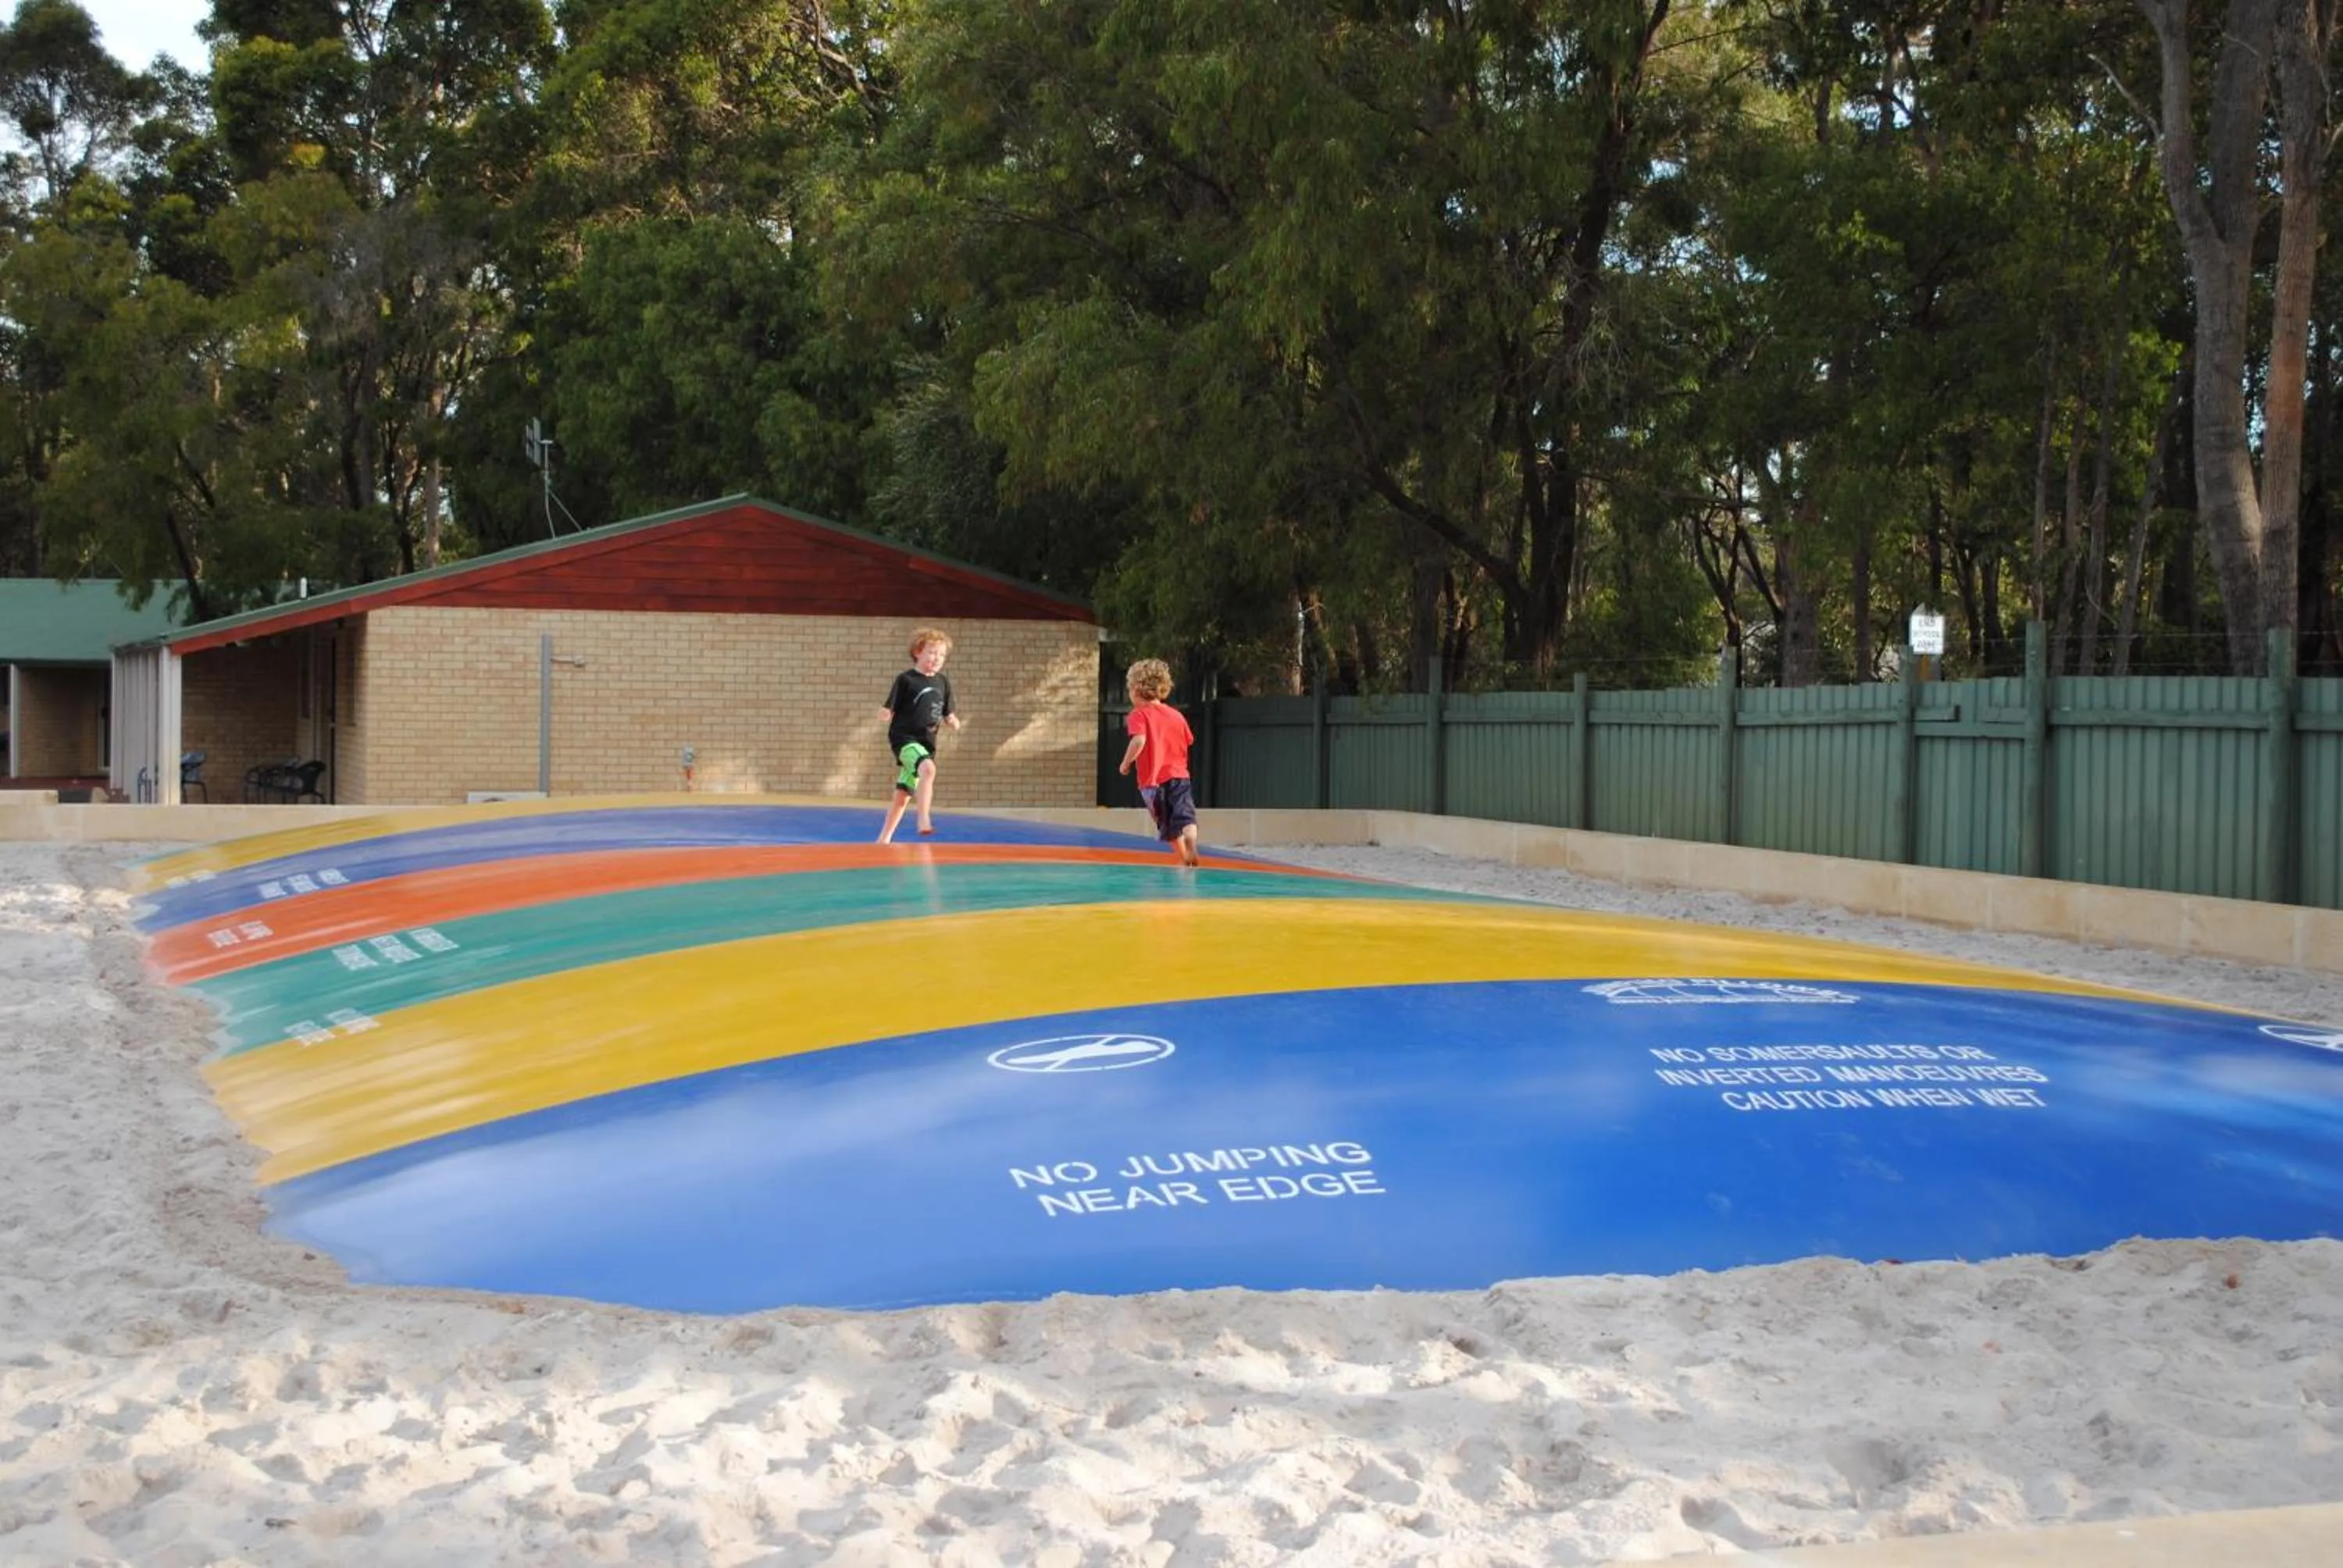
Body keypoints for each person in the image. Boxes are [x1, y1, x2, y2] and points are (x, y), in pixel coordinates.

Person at [878, 628, 962, 843]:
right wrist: (886, 712)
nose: (937, 658)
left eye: (942, 655)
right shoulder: (906, 680)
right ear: (918, 652)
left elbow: (947, 711)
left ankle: (884, 839)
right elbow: (891, 706)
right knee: (928, 769)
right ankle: (923, 818)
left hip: (926, 745)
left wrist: (952, 719)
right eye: (932, 652)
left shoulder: (942, 682)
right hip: (904, 739)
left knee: (903, 795)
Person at [1117, 657, 1199, 865]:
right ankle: (1191, 838)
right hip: (1180, 778)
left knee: (1166, 824)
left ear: (1136, 689)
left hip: (1153, 782)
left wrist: (1126, 762)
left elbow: (1139, 740)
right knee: (1185, 818)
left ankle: (1182, 859)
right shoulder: (1177, 716)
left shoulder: (1138, 715)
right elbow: (1188, 740)